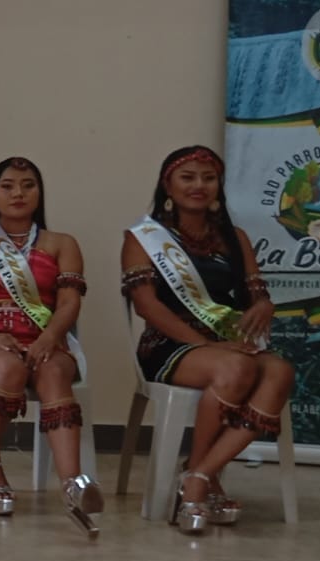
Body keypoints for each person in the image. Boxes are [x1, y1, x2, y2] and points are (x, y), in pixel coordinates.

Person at [121, 145, 294, 534]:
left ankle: (198, 474)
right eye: (188, 177)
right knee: (235, 368)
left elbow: (255, 295)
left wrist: (264, 305)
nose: (198, 185)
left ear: (219, 186)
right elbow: (147, 306)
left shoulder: (235, 238)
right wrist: (207, 346)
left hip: (229, 343)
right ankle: (202, 484)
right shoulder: (144, 237)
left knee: (280, 372)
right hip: (168, 343)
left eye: (208, 178)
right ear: (168, 185)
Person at [0, 157, 101, 535]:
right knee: (6, 368)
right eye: (7, 186)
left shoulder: (62, 244)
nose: (18, 193)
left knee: (55, 372)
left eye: (28, 185)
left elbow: (69, 303)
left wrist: (49, 338)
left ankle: (73, 485)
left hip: (45, 341)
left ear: (40, 193)